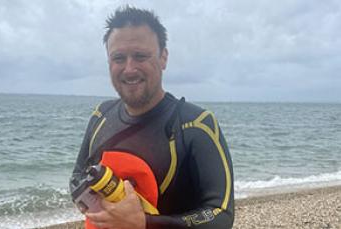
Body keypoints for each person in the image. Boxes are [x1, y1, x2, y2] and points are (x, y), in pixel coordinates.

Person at [70, 6, 234, 229]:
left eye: (140, 56)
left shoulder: (196, 124)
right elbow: (77, 178)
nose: (129, 68)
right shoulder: (101, 116)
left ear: (163, 57)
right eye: (118, 58)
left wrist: (144, 223)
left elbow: (221, 214)